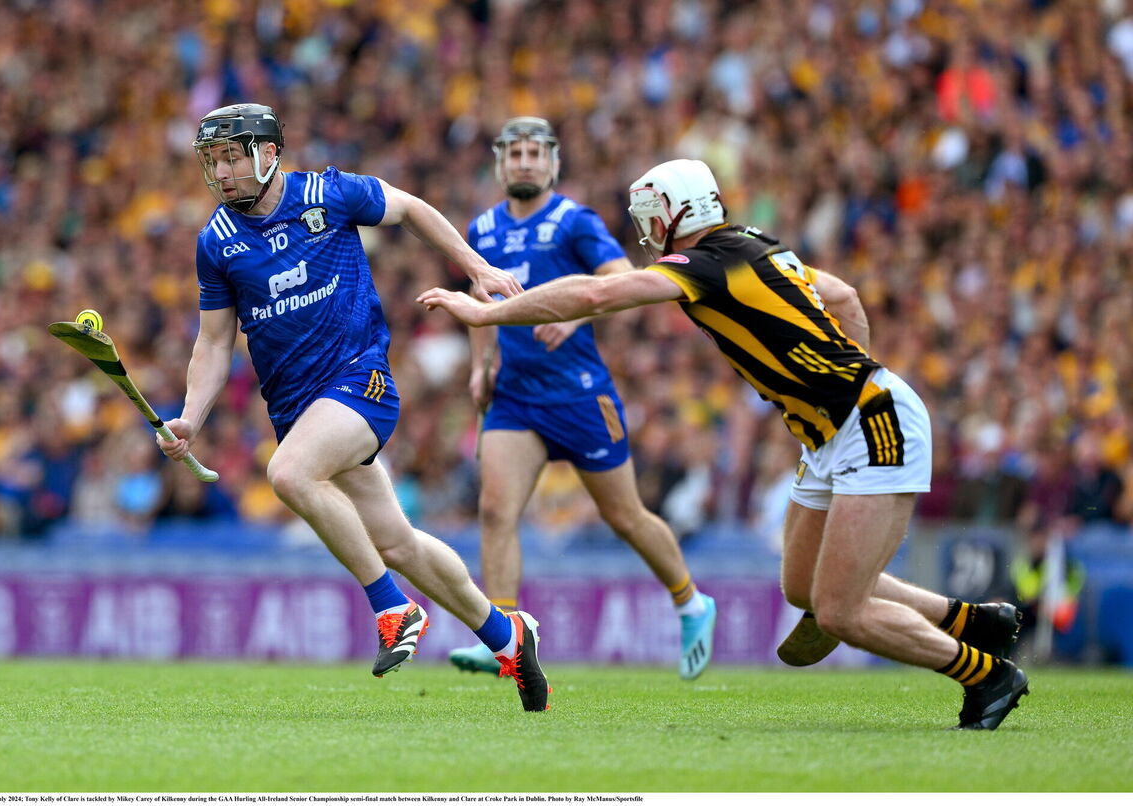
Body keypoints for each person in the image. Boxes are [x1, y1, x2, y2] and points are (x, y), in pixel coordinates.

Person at [419, 158, 1030, 730]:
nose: (644, 229)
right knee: (801, 587)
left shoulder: (710, 264)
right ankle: (972, 621)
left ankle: (987, 675)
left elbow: (600, 295)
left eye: (650, 214)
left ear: (678, 212)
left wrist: (486, 316)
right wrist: (850, 374)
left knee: (839, 611)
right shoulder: (755, 245)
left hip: (869, 423)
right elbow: (841, 297)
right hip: (834, 430)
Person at [158, 103, 549, 711]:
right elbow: (213, 342)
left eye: (233, 156)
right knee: (396, 541)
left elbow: (412, 208)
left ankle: (390, 606)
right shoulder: (217, 242)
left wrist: (476, 267)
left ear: (267, 153)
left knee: (288, 473)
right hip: (298, 407)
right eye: (214, 160)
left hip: (359, 380)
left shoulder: (328, 192)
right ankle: (507, 635)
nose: (223, 171)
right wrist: (191, 417)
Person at [446, 117, 718, 681]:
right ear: (500, 164)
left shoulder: (574, 221)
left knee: (625, 515)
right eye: (514, 153)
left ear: (553, 163)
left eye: (534, 153)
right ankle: (503, 633)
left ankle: (691, 601)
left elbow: (621, 279)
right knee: (496, 509)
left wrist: (572, 321)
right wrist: (481, 363)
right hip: (515, 396)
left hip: (578, 393)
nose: (524, 162)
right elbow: (481, 297)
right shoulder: (483, 228)